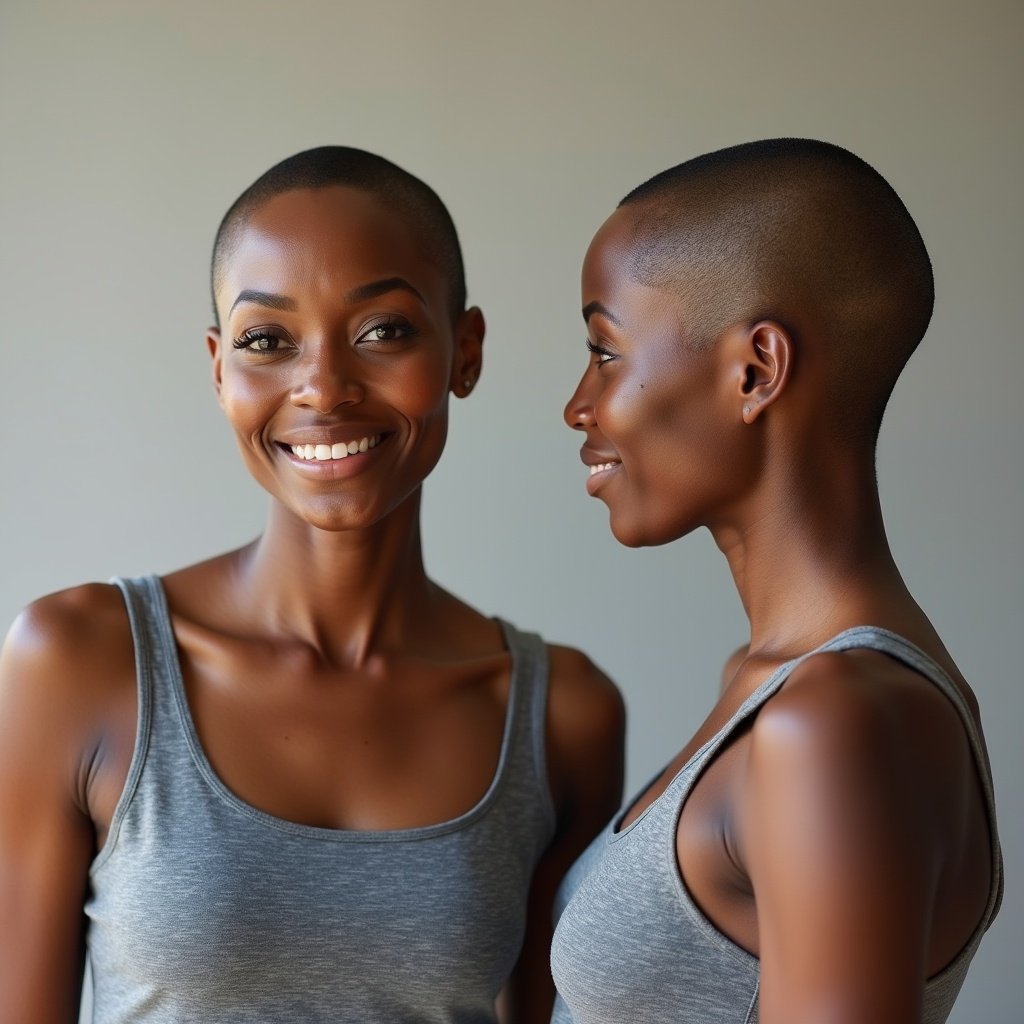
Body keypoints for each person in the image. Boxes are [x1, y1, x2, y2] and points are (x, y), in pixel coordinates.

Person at [0, 146, 624, 1024]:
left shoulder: (564, 714)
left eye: (383, 331)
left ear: (465, 351)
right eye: (267, 341)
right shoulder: (78, 661)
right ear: (220, 369)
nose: (324, 388)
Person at [551, 138, 1002, 1024]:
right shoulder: (785, 692)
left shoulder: (833, 723)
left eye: (604, 351)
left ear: (755, 371)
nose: (579, 405)